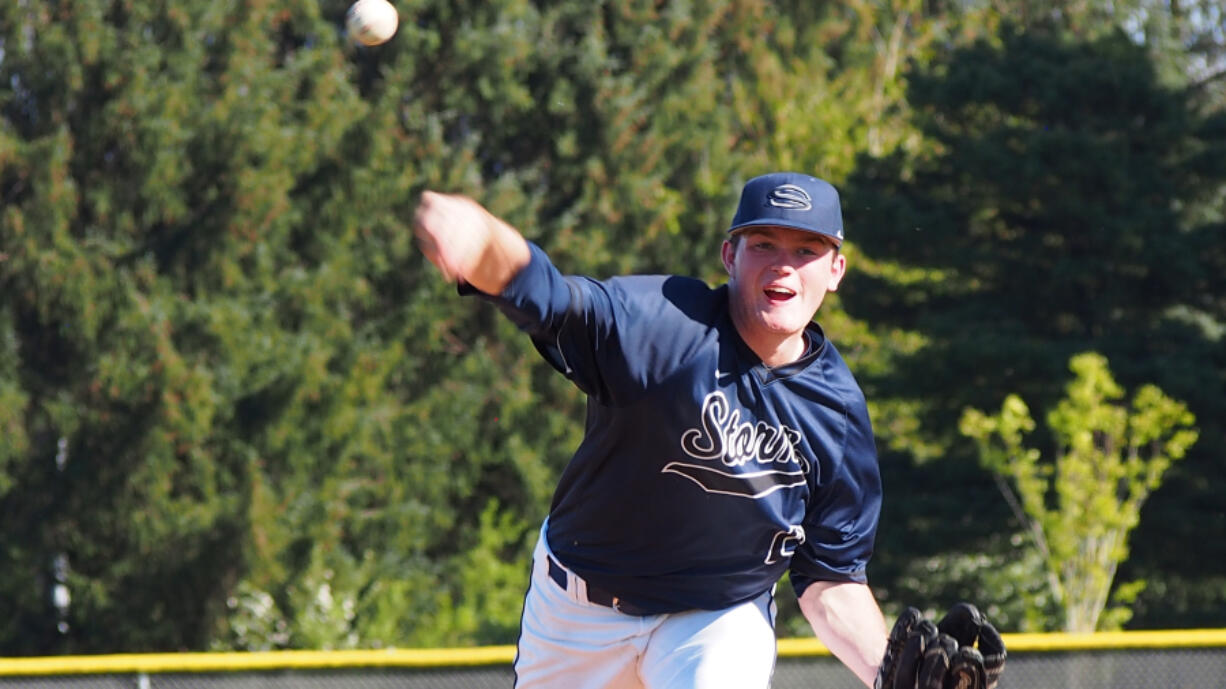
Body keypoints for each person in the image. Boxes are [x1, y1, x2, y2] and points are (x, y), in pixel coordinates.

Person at [414, 172, 889, 689]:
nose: (783, 264)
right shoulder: (662, 326)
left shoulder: (835, 413)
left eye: (807, 250)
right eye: (764, 244)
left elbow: (832, 577)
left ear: (836, 269)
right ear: (730, 256)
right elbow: (546, 294)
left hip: (716, 620)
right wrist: (483, 237)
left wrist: (891, 674)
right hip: (578, 614)